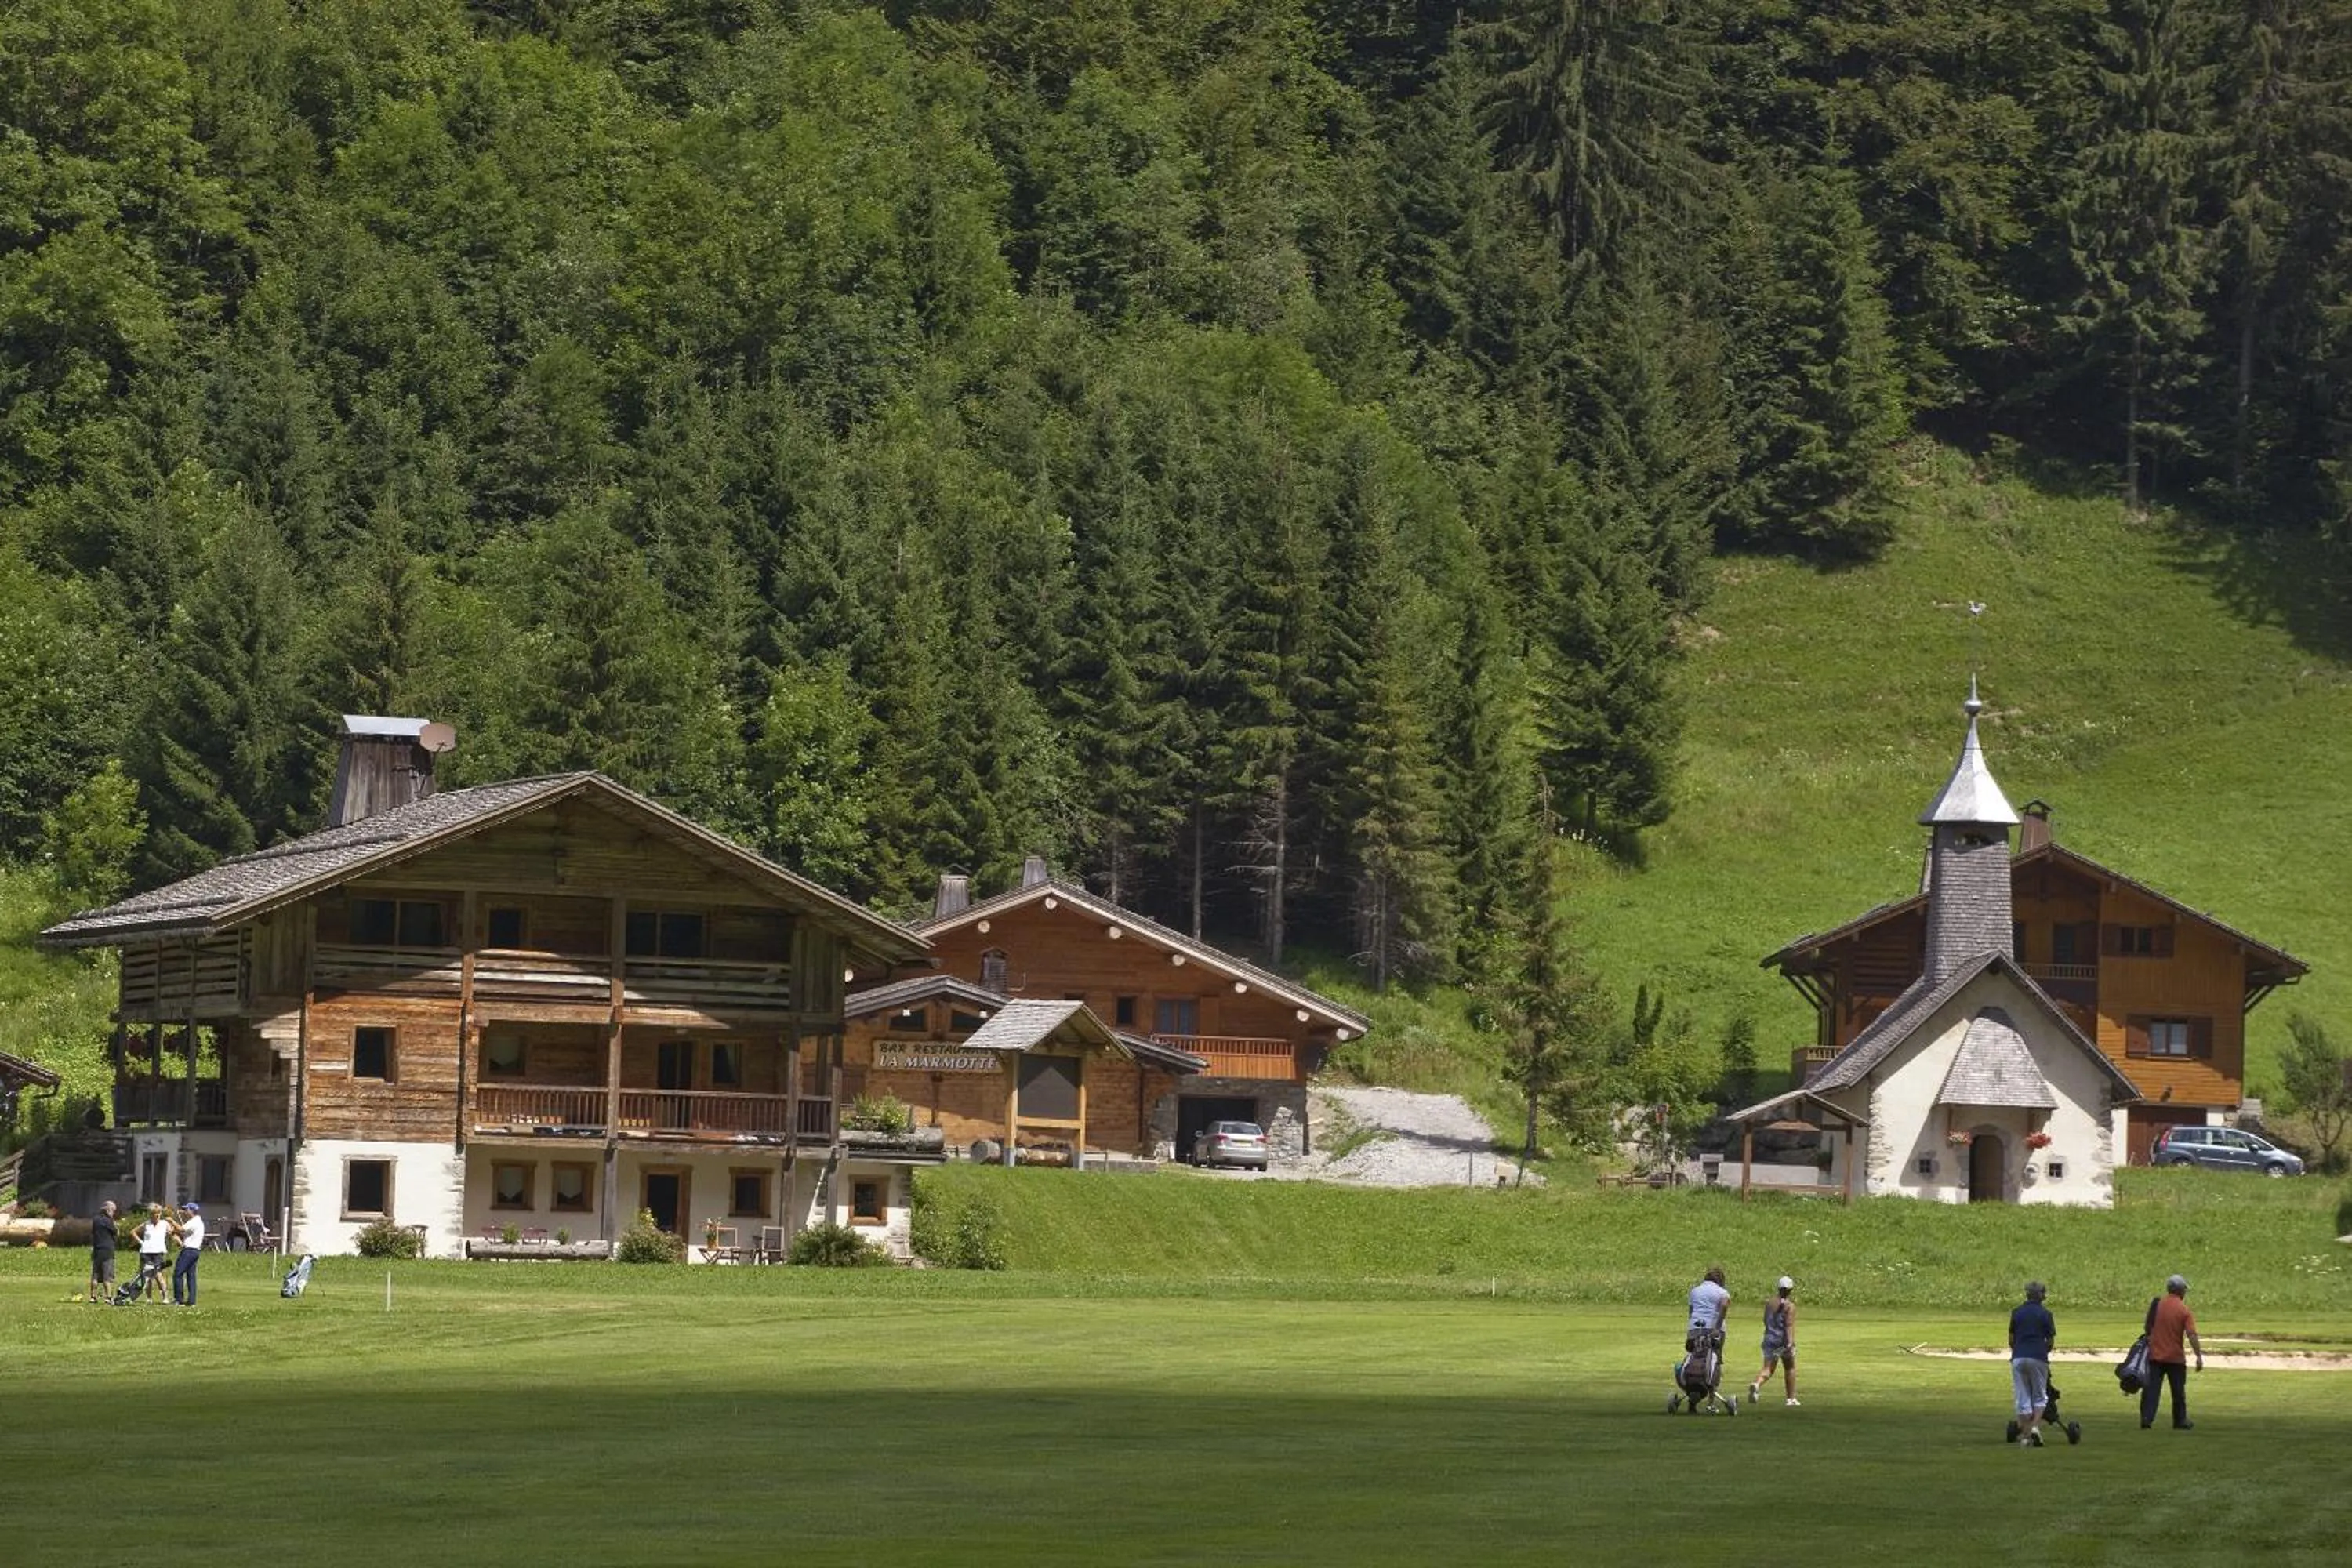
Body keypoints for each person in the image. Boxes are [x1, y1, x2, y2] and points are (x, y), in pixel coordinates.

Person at [2141, 1274, 2204, 1430]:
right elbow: (2192, 1335)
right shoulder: (2184, 1310)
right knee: (2178, 1392)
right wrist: (2198, 1356)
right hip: (2175, 1358)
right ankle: (2180, 1420)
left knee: (2151, 1390)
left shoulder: (2157, 1305)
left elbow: (2147, 1328)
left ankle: (2146, 1418)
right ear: (2181, 1291)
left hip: (2155, 1356)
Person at [2009, 1280, 2056, 1447]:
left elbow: (2011, 1339)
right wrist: (2044, 1353)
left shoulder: (2016, 1313)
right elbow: (2050, 1341)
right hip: (2038, 1356)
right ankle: (2034, 1428)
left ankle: (2025, 1437)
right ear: (2041, 1295)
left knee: (2022, 1396)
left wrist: (2018, 1350)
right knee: (2040, 1396)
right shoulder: (2046, 1314)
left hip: (2019, 1357)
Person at [1749, 1276, 1799, 1406]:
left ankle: (1757, 1383)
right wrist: (1790, 1344)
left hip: (1769, 1339)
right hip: (1782, 1342)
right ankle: (1791, 1399)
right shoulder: (1790, 1306)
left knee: (1768, 1369)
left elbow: (1765, 1320)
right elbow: (1788, 1326)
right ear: (1790, 1290)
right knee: (1790, 1368)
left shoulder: (1769, 1303)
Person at [1686, 1265, 1730, 1350]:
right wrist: (1717, 1328)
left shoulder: (1695, 1291)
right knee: (1715, 1354)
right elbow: (1724, 1305)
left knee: (1694, 1353)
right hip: (1712, 1327)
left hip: (1695, 1326)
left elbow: (1691, 1311)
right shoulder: (1722, 1292)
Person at [171, 1202, 205, 1307]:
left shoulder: (194, 1221)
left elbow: (181, 1229)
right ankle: (191, 1301)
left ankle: (179, 1300)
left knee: (178, 1274)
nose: (185, 1212)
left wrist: (171, 1221)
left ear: (192, 1210)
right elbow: (183, 1233)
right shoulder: (199, 1222)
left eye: (187, 1210)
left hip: (188, 1251)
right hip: (195, 1251)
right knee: (191, 1276)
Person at [135, 1203, 170, 1301]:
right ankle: (149, 1298)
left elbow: (171, 1232)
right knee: (148, 1276)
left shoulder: (164, 1224)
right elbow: (133, 1232)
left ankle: (165, 1297)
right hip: (146, 1252)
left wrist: (173, 1235)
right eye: (155, 1213)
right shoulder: (146, 1224)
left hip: (158, 1252)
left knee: (158, 1275)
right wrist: (141, 1242)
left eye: (159, 1213)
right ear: (151, 1214)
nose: (157, 1215)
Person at [87, 1200, 118, 1303]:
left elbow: (93, 1234)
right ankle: (108, 1297)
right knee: (107, 1276)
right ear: (108, 1210)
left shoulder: (95, 1220)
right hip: (107, 1250)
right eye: (113, 1210)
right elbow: (115, 1232)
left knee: (95, 1275)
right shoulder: (109, 1221)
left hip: (97, 1250)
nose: (113, 1212)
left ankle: (93, 1297)